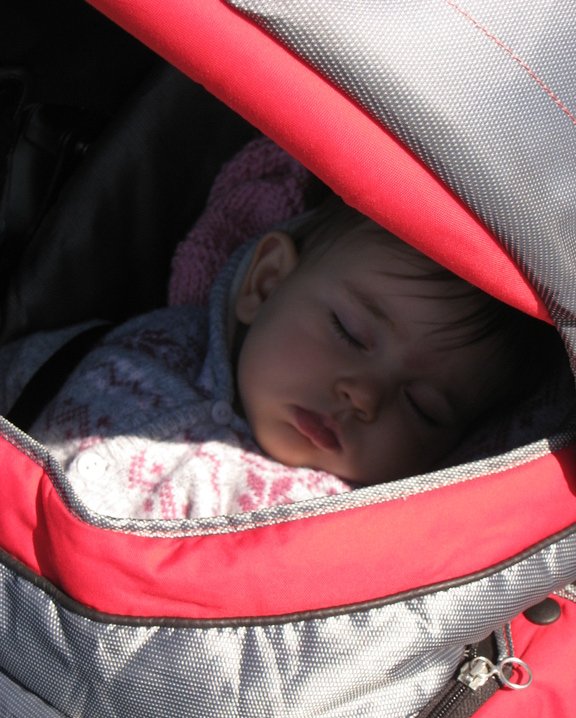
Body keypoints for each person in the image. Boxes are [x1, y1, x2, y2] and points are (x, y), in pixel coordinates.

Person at [0, 195, 560, 519]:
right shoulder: (140, 347)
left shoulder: (341, 533)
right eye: (349, 333)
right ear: (266, 284)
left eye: (425, 408)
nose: (363, 397)